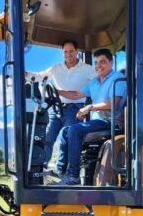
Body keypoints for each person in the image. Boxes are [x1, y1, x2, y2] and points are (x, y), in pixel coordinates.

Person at [56, 48, 125, 185]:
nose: (99, 65)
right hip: (98, 121)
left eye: (103, 62)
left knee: (74, 130)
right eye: (96, 62)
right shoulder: (94, 82)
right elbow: (75, 95)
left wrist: (89, 107)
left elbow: (113, 103)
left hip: (111, 122)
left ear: (111, 63)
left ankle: (73, 176)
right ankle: (61, 171)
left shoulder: (118, 79)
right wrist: (57, 91)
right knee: (65, 131)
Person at [26, 40, 94, 176]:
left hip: (76, 107)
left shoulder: (86, 69)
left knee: (67, 138)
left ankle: (62, 170)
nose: (68, 54)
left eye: (71, 51)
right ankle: (41, 166)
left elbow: (99, 80)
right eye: (65, 52)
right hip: (57, 107)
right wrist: (24, 73)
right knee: (48, 137)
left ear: (77, 51)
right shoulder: (56, 68)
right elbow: (39, 77)